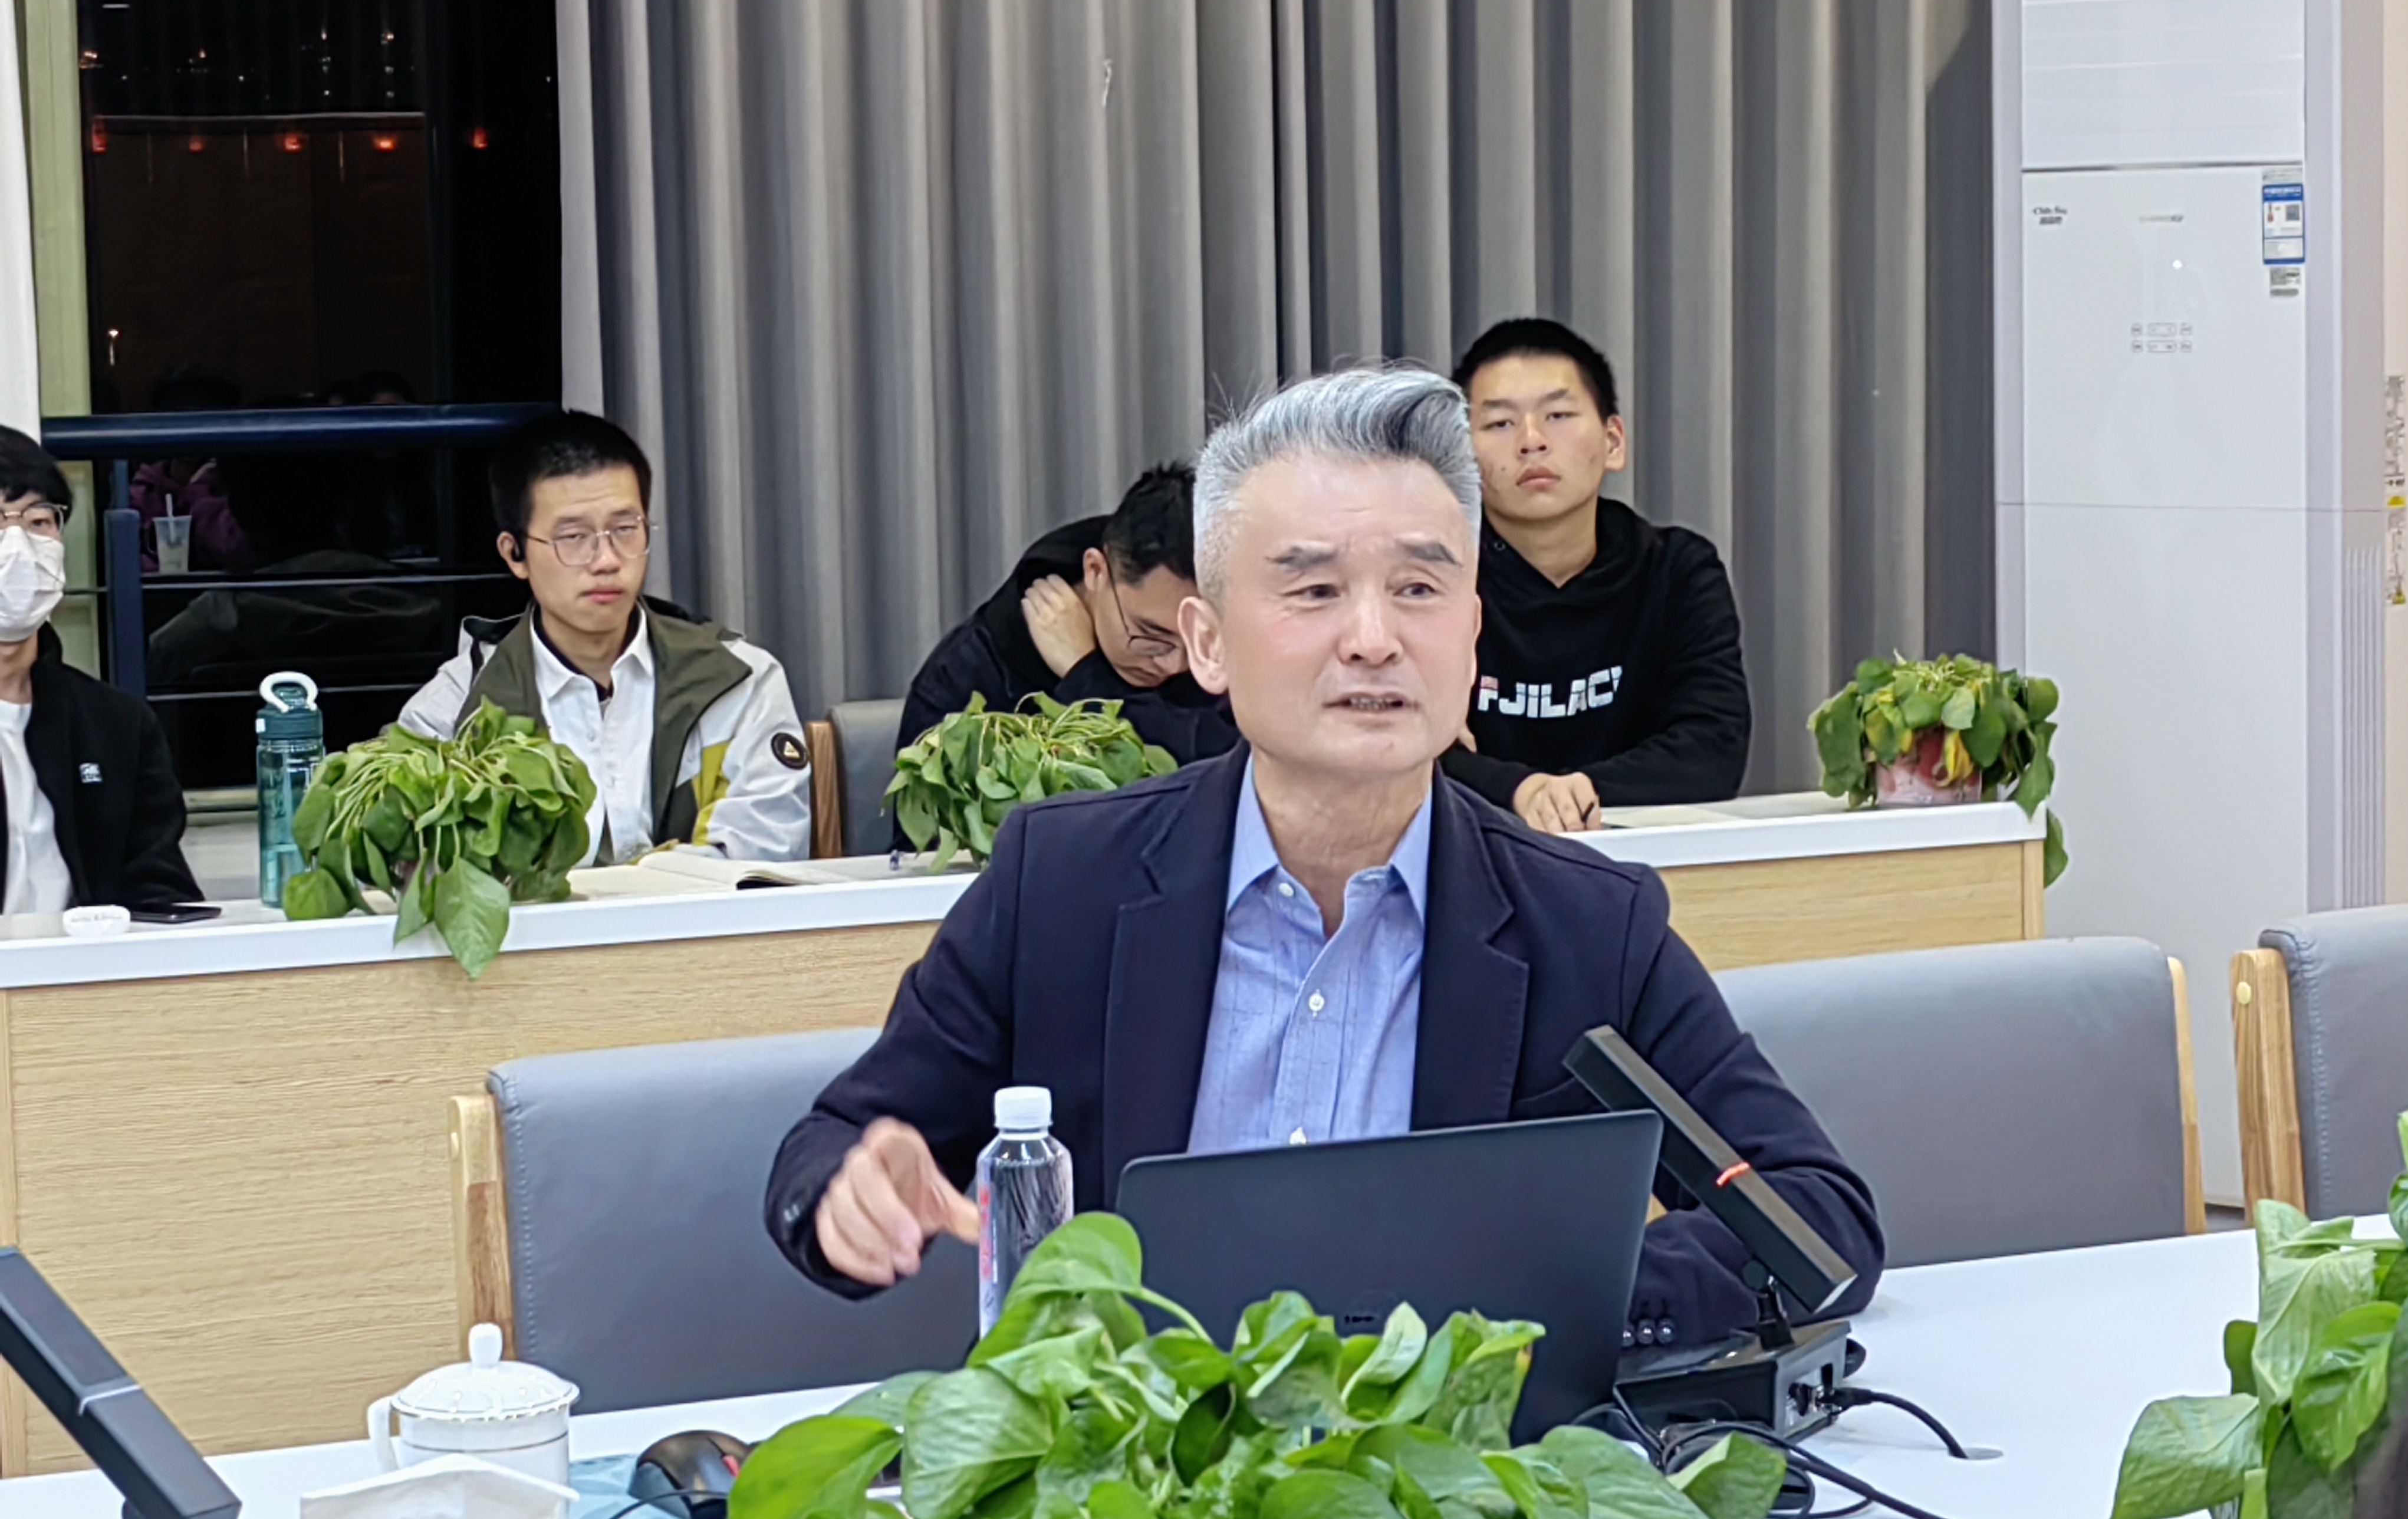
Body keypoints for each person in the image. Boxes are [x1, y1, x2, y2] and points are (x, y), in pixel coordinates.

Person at [765, 368, 1881, 1355]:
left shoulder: (1589, 923)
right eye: (1312, 589)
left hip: (1448, 1488)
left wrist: (1541, 1297)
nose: (1373, 639)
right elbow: (830, 1149)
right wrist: (850, 1194)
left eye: (1419, 587)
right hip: (1125, 1478)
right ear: (1207, 642)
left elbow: (1817, 1219)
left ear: (1472, 634)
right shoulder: (1064, 882)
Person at [397, 411, 814, 865]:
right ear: (515, 554)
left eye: (625, 530)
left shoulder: (740, 681)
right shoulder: (451, 712)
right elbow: (420, 870)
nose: (607, 560)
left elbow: (765, 854)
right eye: (574, 537)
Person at [1440, 318, 1751, 834]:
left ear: (1613, 442)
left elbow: (1713, 747)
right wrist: (1521, 791)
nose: (1531, 441)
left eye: (1558, 415)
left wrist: (1565, 796)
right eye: (1499, 423)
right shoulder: (1433, 581)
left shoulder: (1677, 570)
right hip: (1472, 852)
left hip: (1642, 860)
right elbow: (1401, 756)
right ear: (1460, 458)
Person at [895, 462, 1238, 763]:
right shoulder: (966, 676)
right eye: (1151, 638)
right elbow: (922, 816)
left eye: (1197, 639)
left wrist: (1086, 679)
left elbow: (1238, 768)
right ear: (1096, 571)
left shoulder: (1214, 659)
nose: (1174, 665)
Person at [0, 430, 200, 912]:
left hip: (81, 960)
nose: (17, 547)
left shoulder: (117, 724)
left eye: (38, 521)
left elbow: (160, 892)